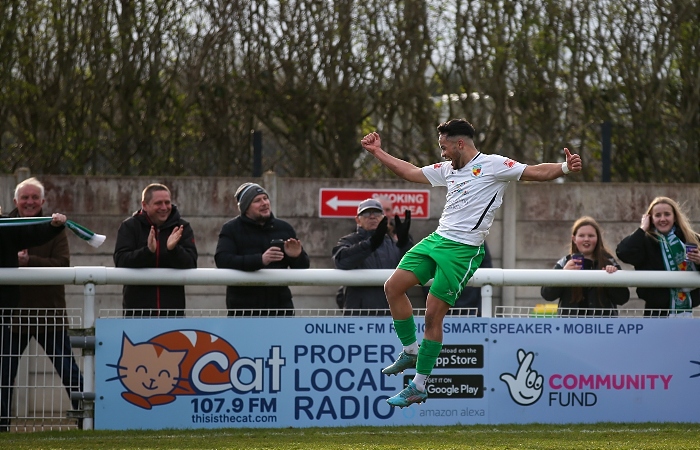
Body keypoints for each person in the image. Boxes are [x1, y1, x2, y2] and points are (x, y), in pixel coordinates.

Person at [360, 118, 582, 408]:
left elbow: (534, 172)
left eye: (444, 147)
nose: (441, 153)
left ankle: (419, 385)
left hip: (463, 251)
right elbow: (411, 172)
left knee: (431, 317)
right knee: (393, 287)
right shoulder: (448, 169)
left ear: (459, 144)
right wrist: (378, 152)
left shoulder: (494, 165)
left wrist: (565, 167)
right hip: (437, 240)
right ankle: (410, 351)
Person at [0, 178, 84, 431]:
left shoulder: (54, 227)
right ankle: (2, 426)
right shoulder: (5, 225)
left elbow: (62, 265)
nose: (30, 202)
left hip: (49, 313)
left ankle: (89, 421)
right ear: (15, 201)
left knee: (70, 372)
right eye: (25, 197)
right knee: (3, 376)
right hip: (12, 315)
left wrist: (28, 262)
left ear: (43, 201)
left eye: (35, 197)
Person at [215, 182, 310, 316]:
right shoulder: (231, 229)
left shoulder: (284, 228)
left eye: (265, 198)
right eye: (257, 201)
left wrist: (297, 256)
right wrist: (260, 260)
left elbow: (303, 267)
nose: (264, 203)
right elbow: (222, 259)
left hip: (280, 309)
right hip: (243, 310)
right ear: (245, 207)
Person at [113, 183, 198, 317]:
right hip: (137, 313)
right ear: (144, 205)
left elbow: (191, 262)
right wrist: (148, 252)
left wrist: (172, 250)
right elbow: (121, 260)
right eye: (158, 203)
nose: (164, 207)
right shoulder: (130, 226)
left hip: (173, 313)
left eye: (167, 202)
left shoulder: (182, 227)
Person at [616, 196, 700, 317]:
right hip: (656, 311)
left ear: (675, 217)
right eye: (658, 215)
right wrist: (642, 228)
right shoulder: (644, 240)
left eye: (667, 214)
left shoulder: (692, 238)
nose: (663, 219)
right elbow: (623, 252)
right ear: (650, 218)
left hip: (687, 309)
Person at [332, 199, 412, 315]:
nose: (372, 217)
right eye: (366, 213)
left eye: (377, 213)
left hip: (392, 317)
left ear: (383, 218)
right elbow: (341, 261)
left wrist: (405, 243)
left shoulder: (392, 243)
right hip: (360, 318)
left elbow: (414, 266)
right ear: (357, 220)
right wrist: (371, 243)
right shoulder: (348, 241)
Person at [540, 216, 629, 317]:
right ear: (574, 239)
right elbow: (547, 294)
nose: (586, 239)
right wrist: (563, 274)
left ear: (597, 238)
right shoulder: (564, 262)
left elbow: (623, 298)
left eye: (591, 236)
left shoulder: (609, 262)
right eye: (581, 235)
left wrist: (612, 280)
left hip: (602, 328)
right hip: (570, 328)